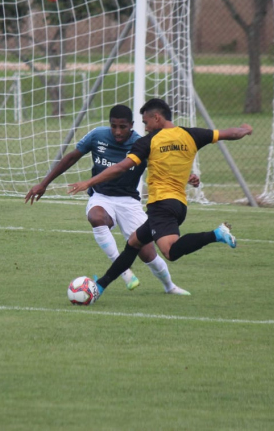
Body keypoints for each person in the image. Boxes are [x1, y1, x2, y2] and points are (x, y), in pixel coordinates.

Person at [67, 98, 253, 302]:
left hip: (161, 206)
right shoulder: (192, 134)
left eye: (146, 122)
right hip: (179, 204)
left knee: (170, 251)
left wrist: (89, 182)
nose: (145, 128)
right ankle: (101, 286)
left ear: (157, 118)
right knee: (133, 243)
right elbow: (230, 133)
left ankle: (216, 234)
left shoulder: (148, 142)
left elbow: (120, 167)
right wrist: (245, 129)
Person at [25, 104, 193, 295]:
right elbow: (71, 157)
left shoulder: (142, 143)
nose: (117, 131)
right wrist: (44, 183)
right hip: (102, 197)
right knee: (96, 217)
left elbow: (165, 164)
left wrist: (188, 177)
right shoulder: (97, 136)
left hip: (129, 202)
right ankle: (124, 271)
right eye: (113, 126)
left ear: (131, 125)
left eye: (122, 127)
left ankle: (169, 286)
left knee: (148, 254)